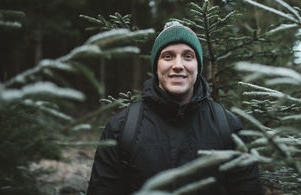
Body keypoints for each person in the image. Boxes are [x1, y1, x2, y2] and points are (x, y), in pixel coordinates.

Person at [87, 21, 264, 195]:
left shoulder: (228, 126)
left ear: (198, 66)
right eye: (168, 56)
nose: (178, 65)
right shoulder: (122, 128)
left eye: (188, 56)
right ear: (157, 67)